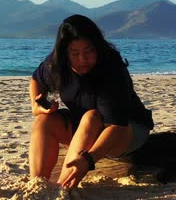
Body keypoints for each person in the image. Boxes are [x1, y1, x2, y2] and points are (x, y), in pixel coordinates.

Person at [28, 14, 154, 189]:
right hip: (85, 128)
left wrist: (88, 159)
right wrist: (37, 105)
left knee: (91, 116)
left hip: (128, 131)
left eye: (88, 51)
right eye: (75, 53)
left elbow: (116, 126)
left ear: (98, 48)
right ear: (65, 53)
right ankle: (38, 186)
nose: (82, 59)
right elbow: (36, 80)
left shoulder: (111, 68)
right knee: (43, 120)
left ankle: (62, 190)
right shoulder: (56, 64)